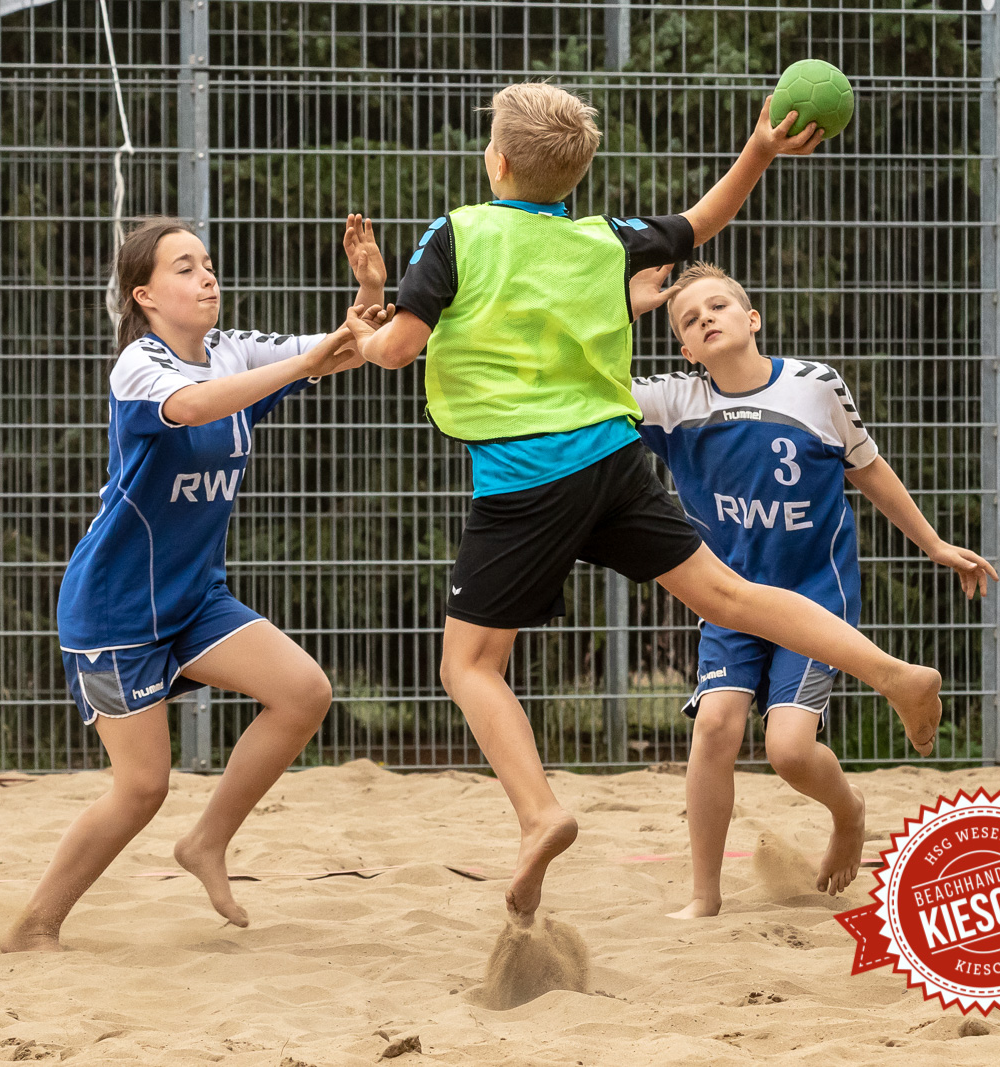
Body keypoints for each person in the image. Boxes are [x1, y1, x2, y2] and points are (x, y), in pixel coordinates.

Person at [345, 82, 944, 922]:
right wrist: (760, 149)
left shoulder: (459, 232)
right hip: (614, 460)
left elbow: (397, 351)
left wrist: (366, 319)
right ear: (576, 172)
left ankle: (541, 812)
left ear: (497, 161)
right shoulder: (603, 240)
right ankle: (890, 670)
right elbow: (703, 221)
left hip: (523, 476)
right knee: (729, 595)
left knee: (469, 665)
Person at [2, 216, 387, 951]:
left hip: (194, 596)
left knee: (304, 692)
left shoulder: (232, 350)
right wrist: (305, 364)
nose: (207, 275)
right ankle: (34, 926)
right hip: (114, 609)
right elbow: (197, 405)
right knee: (143, 787)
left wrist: (369, 292)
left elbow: (349, 348)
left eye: (207, 262)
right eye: (185, 267)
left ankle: (206, 841)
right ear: (144, 295)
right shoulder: (138, 365)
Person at [624, 261, 997, 918]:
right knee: (714, 726)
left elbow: (869, 469)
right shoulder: (671, 401)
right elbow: (587, 383)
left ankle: (848, 810)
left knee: (789, 751)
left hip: (815, 595)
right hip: (730, 598)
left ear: (752, 318)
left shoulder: (815, 386)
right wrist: (624, 308)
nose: (706, 319)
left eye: (717, 306)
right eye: (689, 319)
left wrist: (935, 543)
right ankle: (704, 896)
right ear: (685, 349)